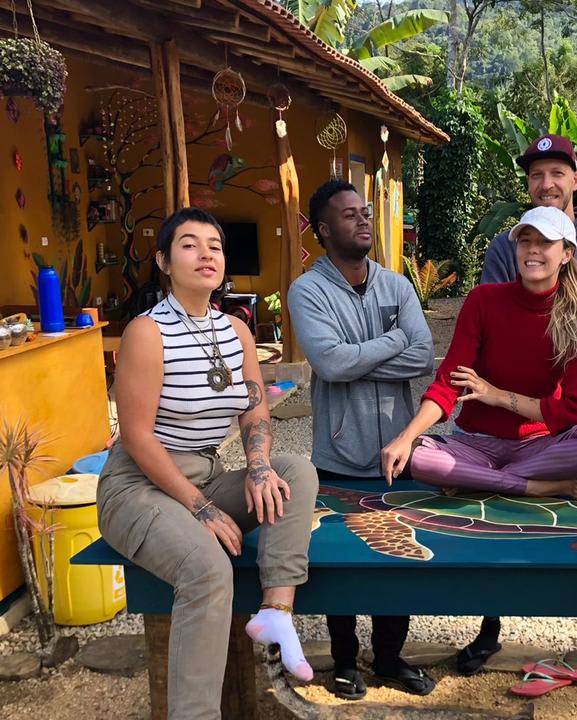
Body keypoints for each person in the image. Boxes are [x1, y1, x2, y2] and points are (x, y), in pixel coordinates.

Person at [97, 208, 318, 719]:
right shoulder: (146, 333)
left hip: (202, 472)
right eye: (190, 245)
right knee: (208, 569)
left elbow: (254, 406)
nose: (206, 254)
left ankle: (276, 611)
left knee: (295, 471)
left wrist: (259, 465)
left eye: (215, 246)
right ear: (164, 262)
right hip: (137, 487)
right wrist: (201, 508)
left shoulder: (235, 330)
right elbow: (136, 437)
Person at [475, 134, 577, 680]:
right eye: (535, 175)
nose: (545, 184)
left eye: (556, 173)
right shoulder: (506, 245)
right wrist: (550, 320)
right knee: (496, 520)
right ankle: (489, 628)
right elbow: (491, 325)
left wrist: (531, 319)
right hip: (511, 414)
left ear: (575, 180)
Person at [288, 179, 437, 700]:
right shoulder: (308, 290)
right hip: (339, 452)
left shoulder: (397, 286)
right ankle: (347, 660)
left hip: (398, 453)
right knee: (340, 560)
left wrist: (361, 357)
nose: (363, 220)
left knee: (400, 559)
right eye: (348, 215)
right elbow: (329, 362)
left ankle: (392, 658)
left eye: (365, 211)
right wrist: (394, 341)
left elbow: (424, 358)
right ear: (324, 229)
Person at [381, 205, 577, 495]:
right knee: (414, 455)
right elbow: (447, 383)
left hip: (538, 449)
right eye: (525, 241)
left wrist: (497, 396)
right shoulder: (483, 300)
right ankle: (530, 487)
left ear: (567, 254)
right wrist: (406, 436)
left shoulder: (575, 317)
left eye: (545, 242)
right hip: (474, 443)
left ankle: (475, 480)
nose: (533, 250)